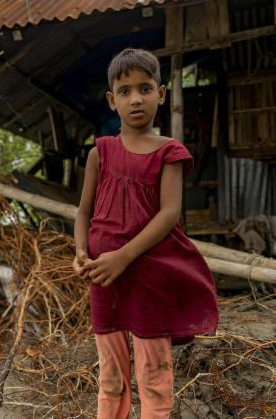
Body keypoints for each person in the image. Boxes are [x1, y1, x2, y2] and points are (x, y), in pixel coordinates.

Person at [73, 48, 219, 419]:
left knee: (154, 373)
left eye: (145, 88)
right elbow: (84, 212)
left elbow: (170, 214)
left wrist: (122, 256)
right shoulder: (99, 154)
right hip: (104, 279)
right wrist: (80, 252)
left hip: (148, 276)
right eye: (124, 91)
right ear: (111, 100)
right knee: (111, 375)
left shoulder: (169, 151)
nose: (135, 98)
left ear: (162, 94)